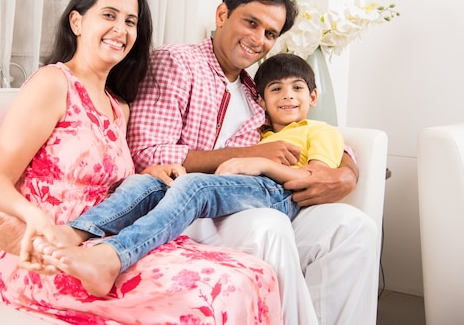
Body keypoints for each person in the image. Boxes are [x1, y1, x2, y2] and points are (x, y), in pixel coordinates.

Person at [0, 0, 283, 324]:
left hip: (106, 237)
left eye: (130, 21)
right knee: (219, 291)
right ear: (77, 21)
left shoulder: (117, 106)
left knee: (255, 273)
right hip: (50, 253)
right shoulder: (53, 83)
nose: (120, 30)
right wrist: (33, 218)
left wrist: (149, 173)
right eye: (109, 15)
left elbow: (109, 190)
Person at [124, 0, 380, 325]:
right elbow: (147, 152)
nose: (259, 39)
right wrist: (250, 158)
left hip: (248, 205)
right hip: (188, 210)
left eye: (270, 33)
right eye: (251, 22)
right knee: (268, 226)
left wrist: (345, 174)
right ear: (221, 15)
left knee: (354, 227)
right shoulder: (176, 63)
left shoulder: (254, 90)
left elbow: (312, 134)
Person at [32, 53, 345, 300]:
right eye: (276, 89)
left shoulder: (319, 130)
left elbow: (312, 177)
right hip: (246, 188)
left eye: (297, 88)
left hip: (280, 192)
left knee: (195, 186)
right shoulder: (256, 129)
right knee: (149, 182)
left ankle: (113, 257)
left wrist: (260, 163)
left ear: (313, 96)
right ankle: (75, 231)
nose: (287, 96)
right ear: (260, 102)